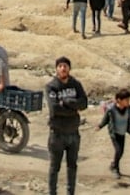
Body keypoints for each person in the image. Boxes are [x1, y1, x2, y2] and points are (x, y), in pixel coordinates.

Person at [45, 56, 88, 195]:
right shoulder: (51, 86)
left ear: (69, 68)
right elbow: (54, 109)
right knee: (54, 167)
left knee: (72, 167)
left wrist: (68, 102)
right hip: (57, 133)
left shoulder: (76, 84)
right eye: (60, 66)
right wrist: (73, 110)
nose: (63, 68)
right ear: (57, 69)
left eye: (65, 66)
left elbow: (84, 103)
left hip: (74, 133)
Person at [98, 89, 130, 180]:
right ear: (119, 100)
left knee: (121, 151)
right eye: (126, 100)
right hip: (114, 133)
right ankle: (116, 169)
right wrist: (100, 126)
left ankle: (113, 164)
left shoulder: (128, 109)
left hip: (122, 132)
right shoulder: (112, 109)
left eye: (128, 100)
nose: (128, 102)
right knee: (118, 150)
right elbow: (106, 119)